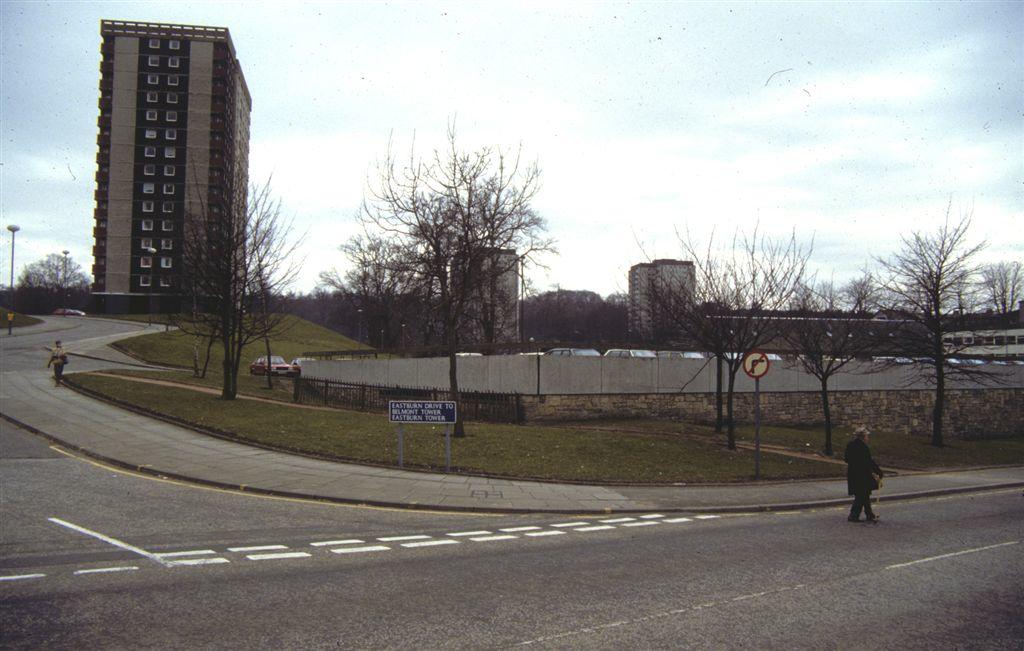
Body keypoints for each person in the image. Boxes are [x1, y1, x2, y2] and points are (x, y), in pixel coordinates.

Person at [844, 425, 883, 523]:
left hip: (853, 472)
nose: (867, 438)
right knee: (861, 495)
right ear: (863, 436)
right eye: (866, 436)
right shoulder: (863, 447)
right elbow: (868, 461)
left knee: (864, 494)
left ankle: (869, 514)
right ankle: (853, 515)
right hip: (862, 474)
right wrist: (878, 471)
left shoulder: (850, 445)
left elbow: (846, 459)